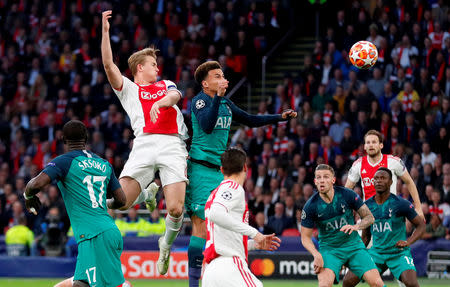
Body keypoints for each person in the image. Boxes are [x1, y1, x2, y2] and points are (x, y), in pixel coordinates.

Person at [186, 60, 297, 286]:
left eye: (222, 75)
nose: (222, 79)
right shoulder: (198, 102)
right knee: (200, 224)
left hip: (219, 172)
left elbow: (251, 120)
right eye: (217, 76)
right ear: (205, 83)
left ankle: (222, 272)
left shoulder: (225, 103)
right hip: (199, 169)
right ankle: (193, 283)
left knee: (222, 221)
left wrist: (279, 118)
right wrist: (217, 96)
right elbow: (207, 125)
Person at [102, 10, 188, 275]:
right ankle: (147, 193)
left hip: (172, 144)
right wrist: (105, 32)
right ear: (140, 67)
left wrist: (161, 102)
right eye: (153, 64)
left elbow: (175, 96)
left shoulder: (166, 84)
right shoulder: (129, 90)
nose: (157, 68)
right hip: (144, 145)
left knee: (175, 207)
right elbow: (108, 66)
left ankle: (165, 246)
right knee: (119, 203)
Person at [23, 120, 127, 287]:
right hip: (105, 231)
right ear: (86, 138)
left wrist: (28, 197)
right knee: (80, 284)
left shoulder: (64, 161)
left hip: (94, 235)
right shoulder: (104, 164)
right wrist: (100, 203)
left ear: (63, 139)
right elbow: (122, 201)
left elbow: (34, 184)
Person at [202, 148, 281, 287]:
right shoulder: (233, 187)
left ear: (221, 170)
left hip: (211, 272)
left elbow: (222, 233)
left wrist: (251, 244)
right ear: (245, 167)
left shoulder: (215, 194)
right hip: (229, 267)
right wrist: (255, 233)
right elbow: (216, 214)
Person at [301, 164, 384, 287]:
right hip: (330, 250)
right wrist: (316, 254)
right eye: (318, 177)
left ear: (333, 180)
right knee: (324, 285)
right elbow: (305, 238)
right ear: (315, 181)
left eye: (326, 177)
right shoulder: (310, 206)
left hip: (354, 246)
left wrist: (356, 227)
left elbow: (369, 218)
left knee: (377, 283)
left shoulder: (347, 195)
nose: (322, 180)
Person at [342, 168, 425, 287]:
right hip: (376, 252)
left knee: (411, 283)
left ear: (391, 182)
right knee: (348, 281)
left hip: (398, 253)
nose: (378, 181)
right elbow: (366, 237)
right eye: (376, 178)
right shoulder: (367, 206)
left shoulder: (401, 203)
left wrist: (408, 242)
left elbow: (421, 226)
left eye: (382, 178)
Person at [345, 130, 423, 219]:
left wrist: (419, 207)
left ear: (381, 145)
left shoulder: (393, 161)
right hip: (368, 216)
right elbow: (347, 190)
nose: (371, 145)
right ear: (365, 147)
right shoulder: (358, 165)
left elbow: (409, 182)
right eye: (368, 142)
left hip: (390, 214)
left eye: (374, 142)